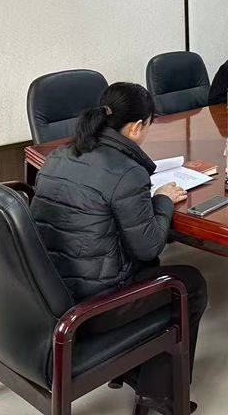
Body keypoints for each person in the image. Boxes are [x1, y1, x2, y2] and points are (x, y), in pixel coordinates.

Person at [31, 83, 206, 415]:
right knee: (188, 285)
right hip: (91, 305)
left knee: (153, 272)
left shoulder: (60, 154)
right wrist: (162, 200)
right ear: (136, 127)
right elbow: (149, 246)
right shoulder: (127, 172)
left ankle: (133, 370)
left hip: (50, 289)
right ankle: (160, 398)